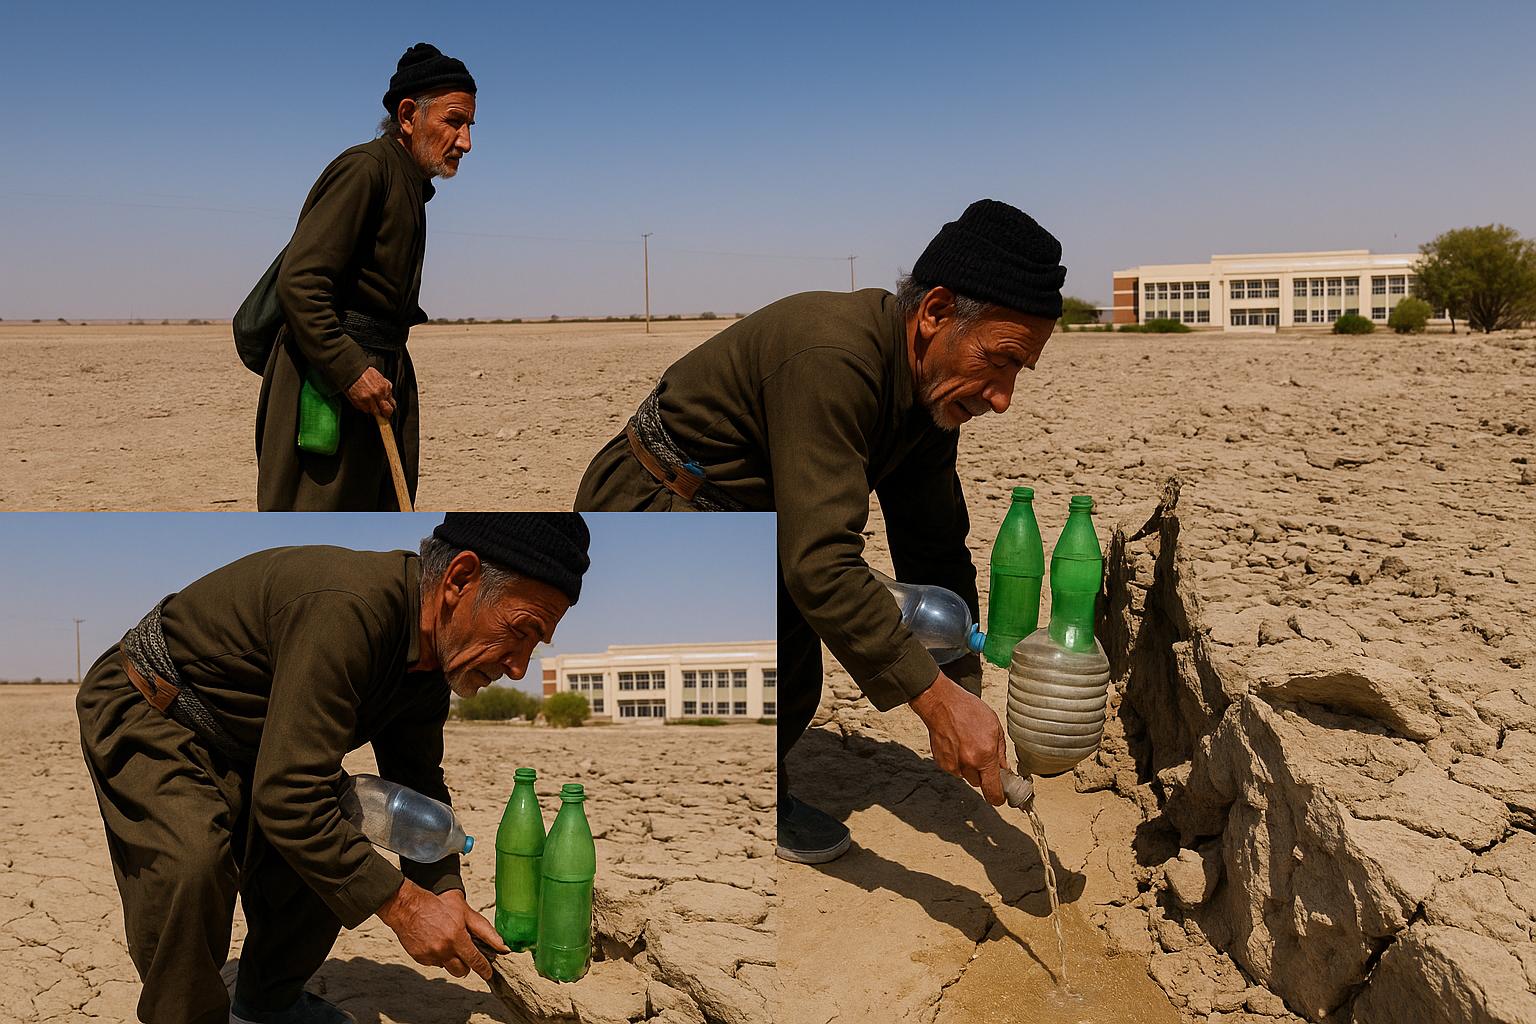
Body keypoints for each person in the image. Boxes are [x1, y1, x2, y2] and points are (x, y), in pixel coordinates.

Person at [574, 200, 1064, 864]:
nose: (1003, 397)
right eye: (999, 360)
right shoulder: (833, 355)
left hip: (752, 514)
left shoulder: (931, 389)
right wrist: (935, 703)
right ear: (936, 313)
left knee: (795, 675)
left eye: (1018, 373)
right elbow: (822, 564)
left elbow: (934, 543)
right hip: (655, 503)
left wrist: (963, 685)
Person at [76, 513, 591, 1024]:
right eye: (521, 631)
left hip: (255, 740)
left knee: (336, 843)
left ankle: (266, 1002)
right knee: (191, 865)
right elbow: (290, 797)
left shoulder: (431, 659)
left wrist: (443, 890)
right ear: (459, 579)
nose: (520, 667)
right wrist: (405, 906)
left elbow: (417, 782)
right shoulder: (348, 611)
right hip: (157, 708)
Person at [255, 43, 476, 510]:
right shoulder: (366, 170)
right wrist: (352, 370)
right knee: (317, 522)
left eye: (469, 126)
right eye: (454, 122)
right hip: (330, 380)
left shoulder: (409, 183)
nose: (466, 141)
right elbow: (301, 283)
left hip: (380, 370)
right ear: (409, 114)